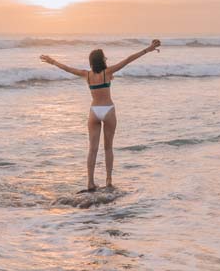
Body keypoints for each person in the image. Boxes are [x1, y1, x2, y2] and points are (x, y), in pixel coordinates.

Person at [40, 39, 161, 191]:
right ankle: (108, 181)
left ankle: (90, 182)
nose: (106, 59)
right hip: (108, 110)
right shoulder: (107, 72)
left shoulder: (87, 75)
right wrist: (147, 49)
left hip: (94, 112)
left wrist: (52, 61)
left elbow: (67, 69)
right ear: (101, 60)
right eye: (104, 57)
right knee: (108, 148)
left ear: (91, 62)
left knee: (92, 149)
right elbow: (128, 59)